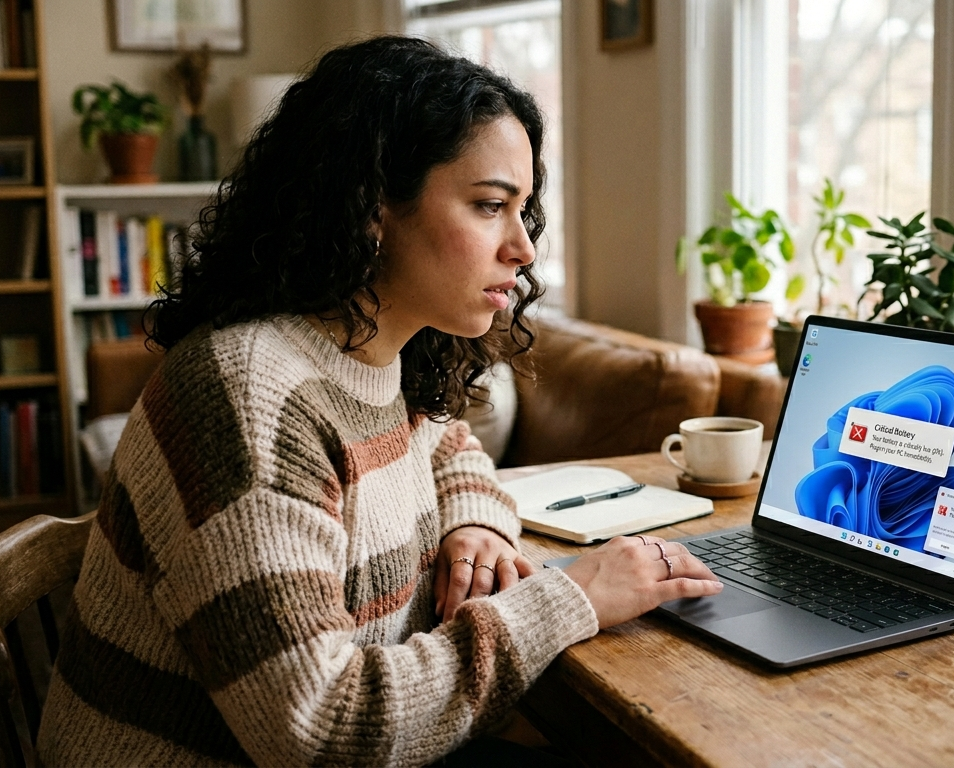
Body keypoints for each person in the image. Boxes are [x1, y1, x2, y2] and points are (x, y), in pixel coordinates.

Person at [36, 35, 723, 767]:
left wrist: (476, 523)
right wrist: (567, 599)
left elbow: (448, 446)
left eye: (523, 209)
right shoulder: (246, 398)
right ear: (371, 208)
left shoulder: (378, 352)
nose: (523, 248)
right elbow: (322, 729)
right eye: (490, 205)